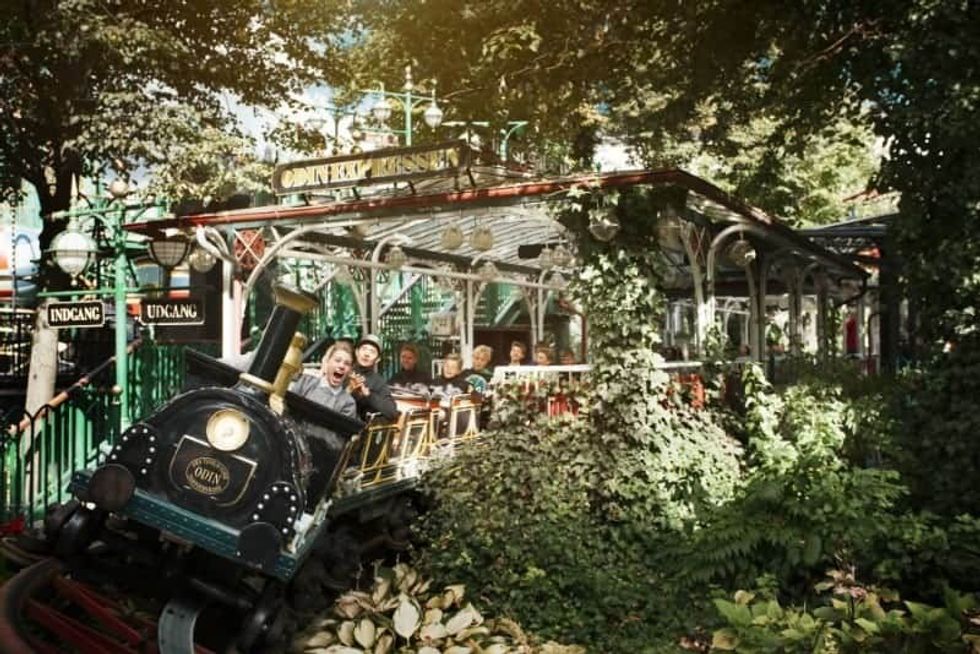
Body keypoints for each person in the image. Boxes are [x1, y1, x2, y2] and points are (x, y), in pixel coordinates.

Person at [290, 342, 357, 419]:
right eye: (337, 360)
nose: (341, 366)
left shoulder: (348, 404)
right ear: (327, 362)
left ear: (350, 370)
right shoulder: (305, 382)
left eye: (347, 364)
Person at [350, 334, 398, 420]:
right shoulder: (345, 371)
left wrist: (368, 395)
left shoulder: (378, 382)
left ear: (378, 359)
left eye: (372, 351)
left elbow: (392, 412)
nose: (366, 354)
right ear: (356, 352)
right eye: (364, 349)